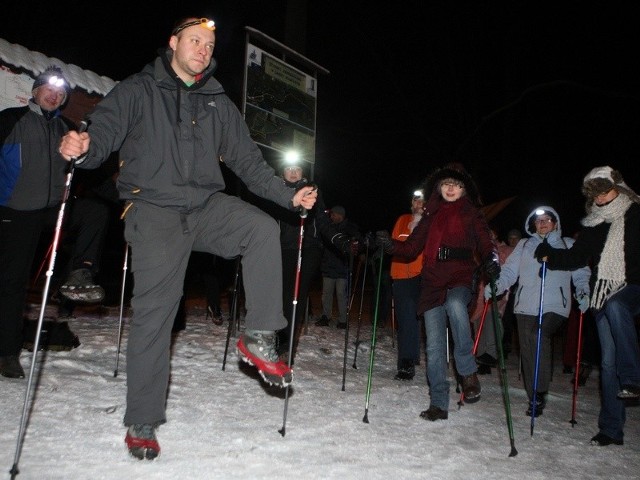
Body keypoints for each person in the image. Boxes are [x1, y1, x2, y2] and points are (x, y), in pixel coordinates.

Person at [58, 17, 317, 460]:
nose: (203, 48)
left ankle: (259, 334)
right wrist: (83, 148)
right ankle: (143, 418)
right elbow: (101, 133)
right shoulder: (138, 90)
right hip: (154, 208)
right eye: (195, 40)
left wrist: (289, 195)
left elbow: (250, 164)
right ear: (174, 43)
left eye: (210, 43)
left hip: (205, 207)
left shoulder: (218, 102)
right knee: (156, 314)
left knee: (261, 228)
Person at [0, 66, 105, 379]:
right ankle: (6, 352)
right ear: (35, 91)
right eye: (49, 88)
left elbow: (84, 168)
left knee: (96, 213)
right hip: (16, 210)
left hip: (53, 209)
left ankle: (80, 273)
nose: (54, 95)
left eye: (60, 93)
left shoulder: (66, 128)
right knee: (13, 282)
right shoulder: (10, 119)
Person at [377, 163, 499, 421]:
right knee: (433, 347)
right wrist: (390, 245)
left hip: (460, 274)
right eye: (446, 184)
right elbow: (410, 249)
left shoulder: (471, 213)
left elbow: (486, 243)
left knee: (456, 306)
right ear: (439, 188)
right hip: (432, 281)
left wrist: (492, 260)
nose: (450, 188)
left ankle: (467, 373)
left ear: (463, 189)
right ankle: (438, 403)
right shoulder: (430, 215)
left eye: (456, 184)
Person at [535, 166, 640, 446]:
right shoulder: (594, 224)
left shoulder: (635, 214)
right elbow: (577, 257)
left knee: (617, 306)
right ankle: (611, 429)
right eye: (597, 195)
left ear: (619, 187)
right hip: (602, 292)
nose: (602, 199)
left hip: (633, 287)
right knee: (607, 363)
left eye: (605, 192)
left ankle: (633, 377)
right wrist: (549, 254)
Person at [487, 206, 590, 417]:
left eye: (547, 219)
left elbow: (581, 272)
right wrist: (497, 285)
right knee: (527, 347)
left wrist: (583, 291)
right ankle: (533, 394)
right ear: (533, 225)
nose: (542, 223)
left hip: (555, 305)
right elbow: (509, 272)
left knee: (539, 335)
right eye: (538, 220)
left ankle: (541, 391)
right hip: (525, 304)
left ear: (556, 222)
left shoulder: (568, 244)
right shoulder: (524, 245)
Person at [275, 161, 324, 361]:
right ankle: (277, 336)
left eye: (297, 169)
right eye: (289, 168)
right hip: (281, 248)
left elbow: (322, 218)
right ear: (282, 171)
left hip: (307, 248)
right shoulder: (275, 190)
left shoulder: (312, 190)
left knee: (295, 296)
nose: (293, 173)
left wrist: (338, 238)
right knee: (280, 295)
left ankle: (287, 343)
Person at [389, 190, 424, 380]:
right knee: (406, 317)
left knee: (429, 317)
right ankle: (406, 362)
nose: (419, 203)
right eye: (416, 200)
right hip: (402, 273)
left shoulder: (433, 221)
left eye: (423, 201)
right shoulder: (403, 219)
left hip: (425, 275)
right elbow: (394, 243)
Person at [471, 227, 514, 374]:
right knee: (478, 323)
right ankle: (481, 356)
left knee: (491, 320)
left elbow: (508, 269)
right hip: (479, 292)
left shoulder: (505, 250)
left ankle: (489, 355)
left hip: (497, 291)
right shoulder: (479, 250)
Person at [316, 205, 360, 329]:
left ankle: (343, 320)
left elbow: (356, 244)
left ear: (340, 215)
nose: (331, 216)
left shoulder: (349, 228)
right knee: (326, 293)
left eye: (333, 214)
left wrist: (356, 248)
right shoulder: (328, 227)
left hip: (342, 267)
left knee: (341, 293)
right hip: (328, 265)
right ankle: (326, 316)